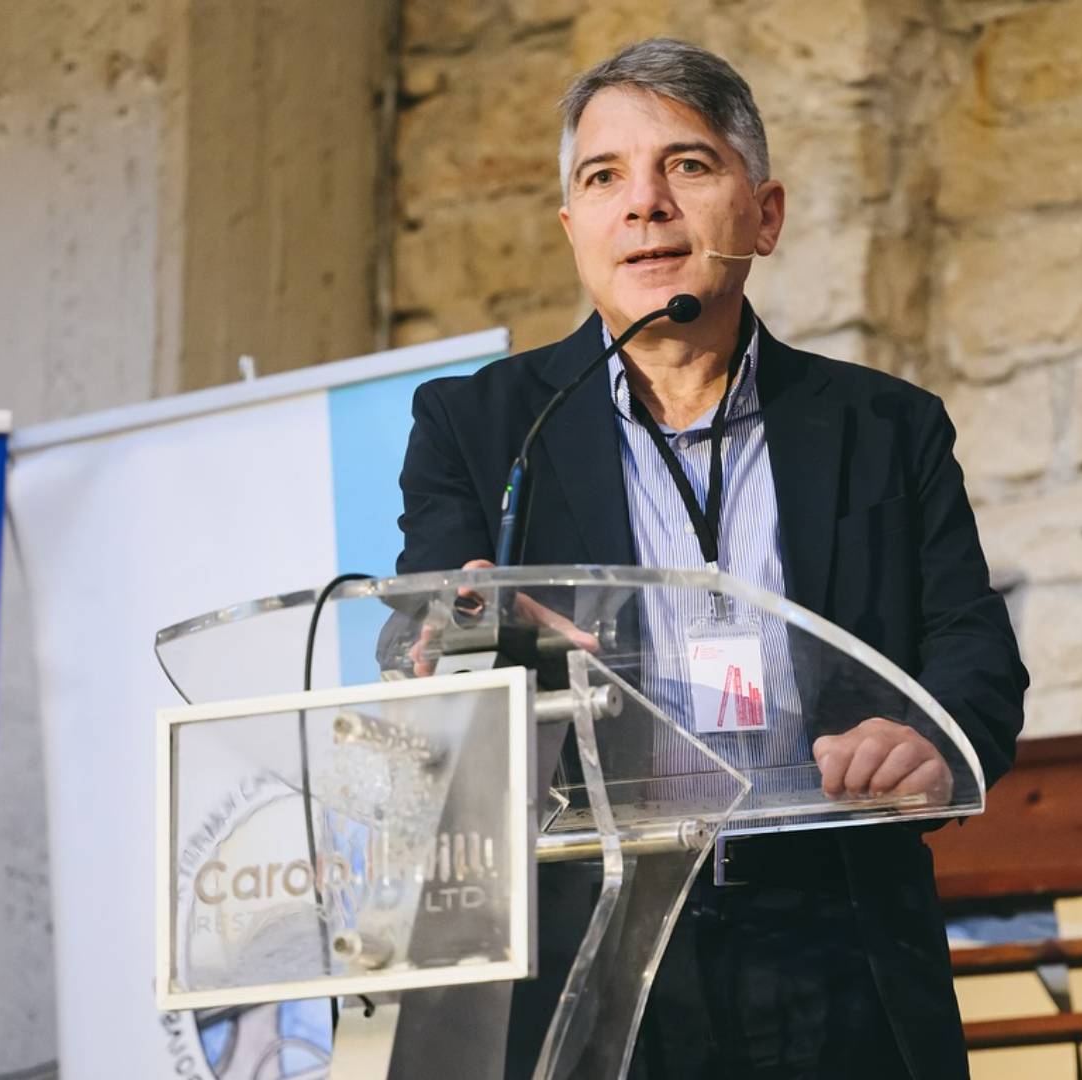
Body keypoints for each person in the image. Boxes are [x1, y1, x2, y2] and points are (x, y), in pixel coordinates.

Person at [394, 37, 1027, 1080]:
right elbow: (433, 624)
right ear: (574, 228)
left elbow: (974, 650)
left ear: (764, 216)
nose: (645, 204)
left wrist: (925, 737)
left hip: (837, 937)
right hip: (592, 950)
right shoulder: (481, 426)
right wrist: (470, 631)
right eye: (605, 178)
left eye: (686, 165)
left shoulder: (884, 427)